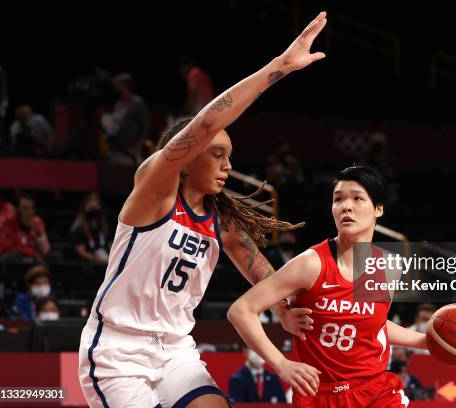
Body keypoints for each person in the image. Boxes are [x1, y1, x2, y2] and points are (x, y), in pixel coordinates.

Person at [78, 12, 328, 408]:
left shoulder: (220, 218)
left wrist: (283, 304)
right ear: (189, 156)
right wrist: (279, 66)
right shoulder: (154, 192)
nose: (228, 166)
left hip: (175, 348)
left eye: (230, 156)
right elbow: (208, 121)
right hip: (118, 351)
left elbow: (257, 267)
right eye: (217, 154)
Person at [228, 165, 425, 408]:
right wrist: (281, 364)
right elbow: (241, 310)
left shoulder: (389, 267)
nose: (346, 206)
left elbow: (370, 322)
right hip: (320, 395)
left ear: (378, 209)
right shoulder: (310, 264)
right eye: (338, 199)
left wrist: (422, 341)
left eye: (357, 198)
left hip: (375, 389)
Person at [105, 73, 150, 164]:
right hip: (115, 149)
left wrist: (137, 148)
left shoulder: (137, 103)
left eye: (118, 86)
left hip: (130, 151)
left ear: (125, 86)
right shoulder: (119, 103)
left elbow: (145, 127)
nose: (115, 89)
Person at [0, 194, 50, 263]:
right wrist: (31, 253)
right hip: (12, 261)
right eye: (24, 208)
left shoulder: (37, 223)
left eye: (30, 209)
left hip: (32, 261)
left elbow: (45, 250)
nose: (27, 212)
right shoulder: (8, 224)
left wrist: (39, 233)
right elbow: (7, 247)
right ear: (19, 209)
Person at [70, 193, 110, 265]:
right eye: (91, 209)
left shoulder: (104, 227)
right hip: (88, 265)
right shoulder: (79, 229)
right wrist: (98, 260)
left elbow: (110, 244)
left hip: (106, 261)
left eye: (96, 208)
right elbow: (82, 252)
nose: (94, 212)